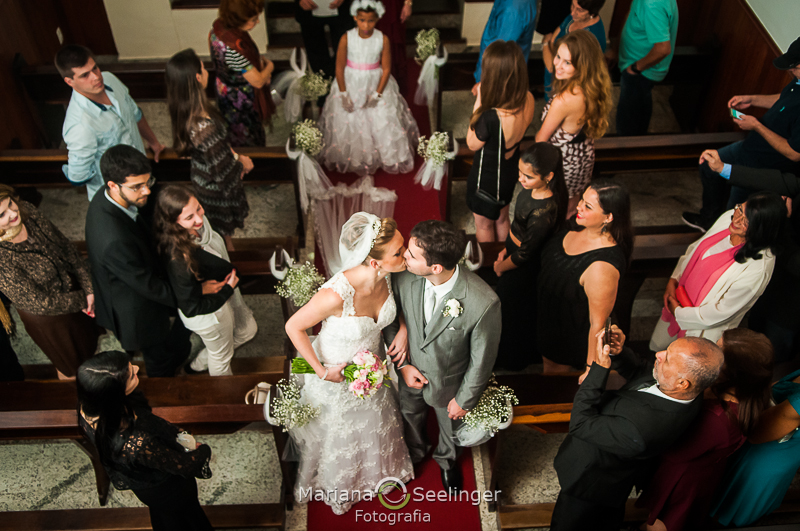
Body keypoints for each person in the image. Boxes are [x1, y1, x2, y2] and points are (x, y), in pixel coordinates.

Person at [284, 212, 413, 515]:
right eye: (399, 251)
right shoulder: (335, 294)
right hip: (336, 372)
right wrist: (321, 371)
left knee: (375, 422)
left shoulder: (389, 273)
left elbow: (398, 306)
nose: (405, 253)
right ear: (374, 262)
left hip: (373, 369)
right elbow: (294, 327)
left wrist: (404, 328)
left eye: (403, 245)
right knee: (339, 433)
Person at [550, 325, 725, 531]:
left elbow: (580, 424)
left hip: (591, 481)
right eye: (667, 350)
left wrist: (599, 369)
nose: (658, 355)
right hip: (613, 471)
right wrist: (620, 352)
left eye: (667, 358)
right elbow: (642, 370)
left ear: (682, 383)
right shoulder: (686, 389)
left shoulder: (643, 431)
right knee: (605, 518)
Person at [385, 220, 502, 492]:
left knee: (449, 429)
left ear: (435, 268)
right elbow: (390, 319)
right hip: (409, 369)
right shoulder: (402, 276)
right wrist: (402, 366)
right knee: (410, 414)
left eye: (411, 255)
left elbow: (482, 359)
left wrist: (464, 399)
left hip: (448, 383)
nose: (404, 256)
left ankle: (447, 461)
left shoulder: (483, 302)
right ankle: (415, 451)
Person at [637, 328, 774, 531]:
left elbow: (674, 451)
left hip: (681, 479)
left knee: (662, 522)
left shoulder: (717, 419)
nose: (709, 349)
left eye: (718, 349)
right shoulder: (744, 395)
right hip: (699, 471)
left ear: (731, 372)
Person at [85, 145, 194, 378]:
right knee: (159, 359)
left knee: (177, 333)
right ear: (113, 185)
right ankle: (166, 393)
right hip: (135, 310)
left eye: (148, 182)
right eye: (137, 187)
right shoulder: (113, 239)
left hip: (135, 275)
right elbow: (146, 284)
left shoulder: (107, 196)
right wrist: (193, 293)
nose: (146, 191)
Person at [76, 351, 213, 531]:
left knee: (165, 515)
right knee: (184, 518)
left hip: (145, 484)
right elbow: (186, 466)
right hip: (166, 488)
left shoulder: (89, 407)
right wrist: (203, 450)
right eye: (131, 374)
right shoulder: (137, 442)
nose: (137, 368)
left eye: (130, 366)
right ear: (115, 394)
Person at [682, 37, 800, 232]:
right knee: (707, 167)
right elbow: (784, 99)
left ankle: (719, 235)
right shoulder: (797, 81)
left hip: (763, 167)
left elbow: (795, 153)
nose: (790, 71)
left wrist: (756, 126)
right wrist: (752, 99)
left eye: (795, 67)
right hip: (750, 147)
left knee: (735, 215)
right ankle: (708, 219)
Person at [696, 151, 800, 362]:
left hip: (792, 303)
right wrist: (722, 168)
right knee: (754, 327)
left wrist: (782, 223)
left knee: (772, 351)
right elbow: (784, 181)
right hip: (772, 280)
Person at [651, 192, 785, 351]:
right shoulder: (729, 218)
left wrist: (679, 313)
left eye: (747, 221)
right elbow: (696, 249)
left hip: (699, 327)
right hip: (677, 297)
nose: (737, 220)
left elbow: (721, 312)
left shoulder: (758, 268)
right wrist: (673, 280)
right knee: (659, 348)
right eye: (740, 210)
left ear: (761, 230)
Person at [154, 185, 257, 377]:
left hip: (216, 295)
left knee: (245, 332)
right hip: (209, 315)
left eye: (199, 208)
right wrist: (227, 289)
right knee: (221, 358)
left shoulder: (198, 226)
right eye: (189, 218)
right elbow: (191, 307)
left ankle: (198, 364)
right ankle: (226, 400)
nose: (199, 219)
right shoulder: (180, 259)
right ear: (173, 222)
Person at [0, 184, 99, 379]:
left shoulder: (27, 210)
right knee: (71, 367)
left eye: (11, 203)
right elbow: (40, 302)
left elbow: (65, 245)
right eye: (2, 215)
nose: (13, 213)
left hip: (73, 289)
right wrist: (83, 299)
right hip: (50, 317)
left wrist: (89, 288)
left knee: (89, 348)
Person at [536, 179, 632, 377]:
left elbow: (598, 325)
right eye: (582, 200)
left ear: (608, 217)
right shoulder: (580, 224)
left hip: (567, 333)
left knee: (554, 377)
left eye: (587, 206)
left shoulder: (602, 267)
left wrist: (590, 371)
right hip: (548, 314)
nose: (579, 206)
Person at [318, 0, 419, 176]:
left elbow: (386, 68)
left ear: (378, 19)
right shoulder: (346, 38)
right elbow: (339, 67)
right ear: (355, 18)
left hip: (375, 82)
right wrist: (343, 93)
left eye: (371, 20)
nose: (366, 25)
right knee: (350, 118)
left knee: (380, 118)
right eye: (362, 20)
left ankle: (383, 154)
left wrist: (377, 94)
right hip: (350, 82)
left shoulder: (383, 39)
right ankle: (355, 156)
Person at [166, 49, 253, 251]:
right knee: (221, 239)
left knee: (221, 236)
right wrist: (242, 163)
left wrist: (236, 155)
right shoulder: (205, 129)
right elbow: (222, 173)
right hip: (215, 191)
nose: (207, 72)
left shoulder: (187, 111)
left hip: (203, 179)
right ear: (198, 77)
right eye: (204, 68)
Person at [56, 44, 165, 200]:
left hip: (143, 171)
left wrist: (153, 142)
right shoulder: (80, 125)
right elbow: (78, 176)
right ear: (69, 81)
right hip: (120, 195)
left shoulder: (109, 79)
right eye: (85, 75)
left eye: (95, 68)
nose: (96, 77)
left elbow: (135, 113)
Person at [493, 143, 567, 370]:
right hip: (513, 251)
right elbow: (518, 227)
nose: (521, 180)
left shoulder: (543, 212)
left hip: (522, 267)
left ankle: (512, 359)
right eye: (519, 173)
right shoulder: (532, 191)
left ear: (548, 176)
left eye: (528, 176)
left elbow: (526, 253)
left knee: (513, 312)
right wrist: (506, 247)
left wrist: (501, 266)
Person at [711, 365, 800, 526]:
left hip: (765, 457)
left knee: (734, 502)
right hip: (772, 446)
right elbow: (775, 387)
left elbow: (757, 434)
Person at [536, 30, 612, 217]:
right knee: (572, 204)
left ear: (582, 66)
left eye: (567, 62)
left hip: (563, 161)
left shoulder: (564, 100)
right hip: (582, 155)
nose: (558, 65)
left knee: (555, 209)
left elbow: (541, 139)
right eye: (558, 57)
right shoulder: (591, 87)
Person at [467, 40, 535, 243]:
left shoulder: (490, 117)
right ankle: (504, 256)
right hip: (509, 170)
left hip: (486, 179)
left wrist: (479, 100)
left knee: (484, 224)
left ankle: (489, 266)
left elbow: (472, 144)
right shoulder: (528, 98)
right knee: (503, 219)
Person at [209, 0, 276, 147]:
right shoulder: (233, 49)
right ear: (237, 20)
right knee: (246, 136)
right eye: (253, 19)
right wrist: (270, 67)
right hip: (239, 101)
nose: (257, 22)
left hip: (224, 87)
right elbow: (257, 81)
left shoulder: (218, 28)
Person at [607, 0, 678, 136]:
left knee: (627, 123)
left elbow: (663, 48)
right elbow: (632, 13)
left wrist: (634, 69)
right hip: (635, 66)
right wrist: (617, 48)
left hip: (641, 72)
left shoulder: (652, 3)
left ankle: (627, 150)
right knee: (640, 104)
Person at [542, 0, 607, 99]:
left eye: (580, 10)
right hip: (553, 83)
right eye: (572, 5)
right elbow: (553, 41)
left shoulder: (592, 38)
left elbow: (553, 66)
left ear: (592, 12)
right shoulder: (573, 18)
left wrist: (545, 44)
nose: (572, 12)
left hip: (565, 92)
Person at [471, 0, 538, 96]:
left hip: (498, 82)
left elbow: (499, 54)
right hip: (502, 77)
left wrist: (484, 82)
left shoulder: (512, 9)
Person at [294, 0, 354, 80]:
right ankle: (323, 84)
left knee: (345, 49)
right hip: (308, 10)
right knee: (315, 52)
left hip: (341, 9)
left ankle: (341, 82)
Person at [375, 0, 412, 94]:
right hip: (371, 4)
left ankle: (393, 88)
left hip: (392, 5)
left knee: (393, 45)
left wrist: (408, 3)